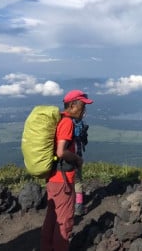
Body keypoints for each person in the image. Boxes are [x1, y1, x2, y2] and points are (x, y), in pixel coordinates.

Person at [40, 89, 93, 251]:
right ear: (72, 105)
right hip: (63, 180)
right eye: (82, 105)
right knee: (65, 222)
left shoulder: (62, 120)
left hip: (54, 177)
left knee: (52, 217)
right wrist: (77, 159)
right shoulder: (68, 123)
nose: (84, 109)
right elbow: (61, 151)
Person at [72, 118, 89, 216]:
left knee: (68, 182)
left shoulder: (65, 121)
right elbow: (85, 142)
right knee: (78, 182)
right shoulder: (81, 124)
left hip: (65, 158)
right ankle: (78, 206)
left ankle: (69, 204)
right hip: (77, 157)